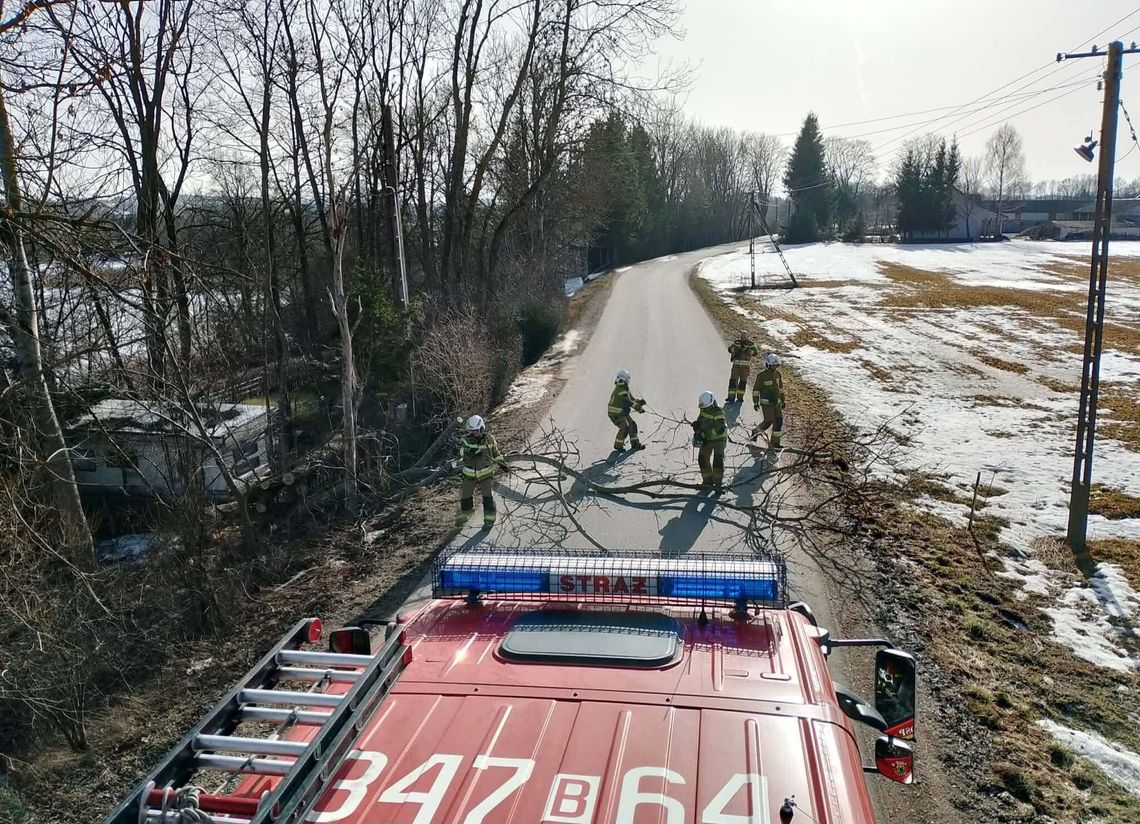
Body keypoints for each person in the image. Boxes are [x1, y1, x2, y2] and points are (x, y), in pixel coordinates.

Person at [456, 415, 503, 529]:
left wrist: (502, 463)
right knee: (465, 497)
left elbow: (496, 453)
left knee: (487, 497)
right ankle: (467, 518)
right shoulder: (465, 440)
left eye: (476, 431)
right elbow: (460, 452)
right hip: (469, 474)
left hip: (486, 474)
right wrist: (469, 451)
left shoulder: (490, 439)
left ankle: (489, 521)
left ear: (482, 428)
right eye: (471, 431)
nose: (474, 433)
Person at [691, 390, 728, 491]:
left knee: (718, 461)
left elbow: (719, 430)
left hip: (719, 439)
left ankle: (718, 485)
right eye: (702, 408)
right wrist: (697, 425)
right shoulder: (704, 409)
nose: (704, 410)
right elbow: (701, 419)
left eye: (706, 408)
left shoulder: (719, 413)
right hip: (707, 438)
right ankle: (707, 482)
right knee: (702, 459)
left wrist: (702, 434)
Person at [608, 369, 646, 453]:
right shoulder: (621, 390)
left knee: (632, 425)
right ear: (623, 379)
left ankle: (635, 444)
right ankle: (618, 445)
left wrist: (639, 402)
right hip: (615, 414)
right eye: (627, 379)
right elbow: (628, 402)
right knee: (624, 427)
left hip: (622, 412)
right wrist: (639, 409)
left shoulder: (624, 388)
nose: (628, 381)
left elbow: (631, 399)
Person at [752, 353, 785, 448]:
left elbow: (780, 389)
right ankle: (755, 432)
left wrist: (783, 400)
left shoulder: (778, 375)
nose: (774, 367)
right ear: (767, 365)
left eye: (775, 365)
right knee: (768, 420)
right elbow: (756, 390)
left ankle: (775, 443)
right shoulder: (762, 376)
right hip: (766, 403)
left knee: (778, 421)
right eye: (772, 365)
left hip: (777, 403)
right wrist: (755, 402)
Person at [726, 330, 758, 404]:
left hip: (745, 368)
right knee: (733, 381)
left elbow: (755, 352)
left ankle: (740, 397)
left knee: (742, 382)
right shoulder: (736, 342)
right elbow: (730, 349)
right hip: (736, 367)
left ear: (747, 336)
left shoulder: (751, 344)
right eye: (742, 336)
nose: (743, 337)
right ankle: (731, 397)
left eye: (744, 336)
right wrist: (737, 350)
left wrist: (747, 351)